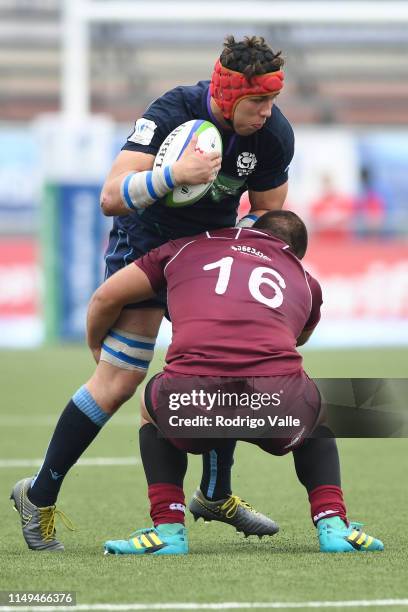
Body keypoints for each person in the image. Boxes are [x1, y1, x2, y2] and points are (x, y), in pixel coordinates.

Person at [10, 35, 294, 551]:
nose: (268, 113)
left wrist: (247, 250)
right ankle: (41, 494)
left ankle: (214, 494)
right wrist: (172, 176)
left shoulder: (273, 136)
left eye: (273, 101)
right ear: (228, 95)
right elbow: (110, 196)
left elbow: (269, 212)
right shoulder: (171, 110)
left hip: (209, 256)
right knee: (118, 382)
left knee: (221, 363)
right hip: (146, 248)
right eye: (259, 103)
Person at [84, 209, 383, 555]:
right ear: (293, 253)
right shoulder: (304, 278)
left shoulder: (184, 248)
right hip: (275, 404)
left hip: (190, 402)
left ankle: (168, 530)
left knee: (151, 406)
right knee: (320, 411)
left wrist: (95, 343)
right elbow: (298, 338)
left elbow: (105, 297)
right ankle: (333, 525)